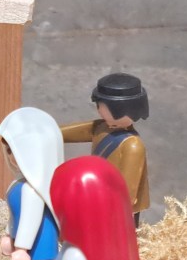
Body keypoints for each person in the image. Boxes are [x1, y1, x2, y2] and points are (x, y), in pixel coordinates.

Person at [0, 107, 64, 260]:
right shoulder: (22, 184)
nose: (10, 156)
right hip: (25, 245)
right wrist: (9, 234)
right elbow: (15, 214)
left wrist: (22, 248)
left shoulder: (33, 190)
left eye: (13, 150)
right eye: (8, 150)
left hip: (38, 244)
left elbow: (30, 220)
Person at [60, 72, 149, 224]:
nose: (99, 110)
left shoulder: (132, 146)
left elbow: (127, 191)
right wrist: (49, 132)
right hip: (97, 195)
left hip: (117, 210)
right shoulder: (101, 127)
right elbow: (73, 131)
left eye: (102, 106)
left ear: (119, 108)